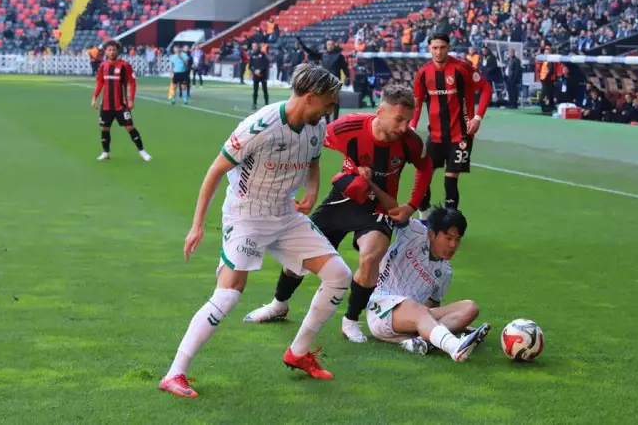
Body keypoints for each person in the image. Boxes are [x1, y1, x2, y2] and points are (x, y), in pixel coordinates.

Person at [159, 64, 352, 398]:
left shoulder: (317, 125)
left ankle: (299, 352)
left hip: (285, 214)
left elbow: (314, 161)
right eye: (329, 102)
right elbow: (216, 170)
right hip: (246, 215)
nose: (332, 109)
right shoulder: (260, 126)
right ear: (310, 97)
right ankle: (175, 373)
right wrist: (197, 226)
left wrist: (311, 190)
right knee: (229, 293)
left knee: (339, 274)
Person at [244, 85, 434, 343]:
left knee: (371, 256)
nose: (404, 127)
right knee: (301, 254)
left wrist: (411, 206)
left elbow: (426, 167)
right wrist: (308, 189)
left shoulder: (410, 140)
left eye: (408, 121)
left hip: (377, 208)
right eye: (399, 119)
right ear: (380, 111)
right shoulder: (348, 126)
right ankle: (279, 304)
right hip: (342, 197)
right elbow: (310, 147)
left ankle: (351, 321)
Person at [366, 208, 490, 360]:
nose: (453, 245)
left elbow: (431, 307)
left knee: (470, 308)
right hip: (381, 310)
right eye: (448, 238)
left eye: (457, 240)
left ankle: (420, 342)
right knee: (417, 308)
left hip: (412, 319)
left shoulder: (445, 271)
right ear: (432, 234)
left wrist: (457, 323)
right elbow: (393, 209)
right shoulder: (414, 231)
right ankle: (454, 346)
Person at [411, 33, 492, 216]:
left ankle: (449, 226)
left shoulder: (462, 68)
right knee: (423, 177)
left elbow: (486, 88)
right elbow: (417, 102)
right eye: (435, 48)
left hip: (461, 134)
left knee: (450, 179)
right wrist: (413, 126)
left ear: (448, 47)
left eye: (442, 47)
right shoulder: (423, 73)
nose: (438, 52)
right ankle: (424, 221)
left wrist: (477, 117)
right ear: (429, 49)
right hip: (436, 135)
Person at [91, 40, 151, 162]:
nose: (112, 52)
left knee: (129, 127)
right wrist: (94, 98)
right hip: (106, 105)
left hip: (121, 104)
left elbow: (132, 83)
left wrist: (131, 100)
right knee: (105, 128)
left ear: (117, 51)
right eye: (109, 50)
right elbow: (100, 83)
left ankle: (142, 151)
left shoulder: (124, 65)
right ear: (105, 52)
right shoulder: (102, 66)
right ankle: (106, 152)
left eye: (114, 50)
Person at [297, 36, 350, 121]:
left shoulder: (339, 56)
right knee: (325, 101)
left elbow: (345, 68)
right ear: (326, 45)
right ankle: (327, 121)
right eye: (328, 44)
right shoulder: (323, 55)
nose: (330, 46)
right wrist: (302, 44)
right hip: (325, 81)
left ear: (334, 45)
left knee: (335, 101)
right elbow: (311, 53)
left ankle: (335, 120)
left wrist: (348, 77)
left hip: (335, 82)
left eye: (331, 44)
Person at [249, 42, 270, 109]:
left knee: (265, 90)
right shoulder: (252, 55)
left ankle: (267, 104)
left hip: (263, 75)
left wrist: (260, 70)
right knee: (255, 90)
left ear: (257, 47)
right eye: (252, 46)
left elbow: (265, 64)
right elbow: (250, 66)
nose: (253, 47)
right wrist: (254, 71)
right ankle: (254, 104)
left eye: (255, 46)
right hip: (255, 75)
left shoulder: (263, 54)